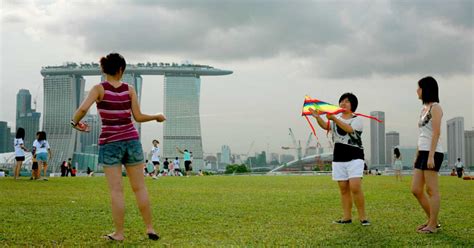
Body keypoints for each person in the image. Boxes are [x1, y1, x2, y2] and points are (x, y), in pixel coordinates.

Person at [71, 53, 165, 241]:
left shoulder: (98, 89)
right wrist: (156, 116)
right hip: (131, 140)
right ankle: (150, 228)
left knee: (116, 190)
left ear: (104, 69)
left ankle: (119, 233)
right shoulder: (129, 89)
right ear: (121, 69)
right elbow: (137, 117)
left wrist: (75, 123)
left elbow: (82, 110)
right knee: (140, 188)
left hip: (110, 143)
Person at [309, 92, 370, 226]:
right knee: (343, 188)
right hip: (339, 157)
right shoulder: (335, 118)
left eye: (347, 101)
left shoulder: (357, 120)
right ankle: (346, 217)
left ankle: (363, 217)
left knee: (355, 187)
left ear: (353, 105)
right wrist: (317, 117)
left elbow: (349, 129)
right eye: (341, 101)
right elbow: (326, 126)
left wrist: (334, 119)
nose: (343, 103)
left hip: (355, 156)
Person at [411, 76, 444, 234]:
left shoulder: (435, 108)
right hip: (422, 151)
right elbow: (423, 134)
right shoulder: (423, 109)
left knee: (432, 190)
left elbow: (436, 133)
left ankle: (432, 225)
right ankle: (432, 220)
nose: (417, 91)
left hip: (433, 151)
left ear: (426, 89)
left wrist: (431, 156)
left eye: (419, 87)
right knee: (416, 189)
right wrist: (417, 154)